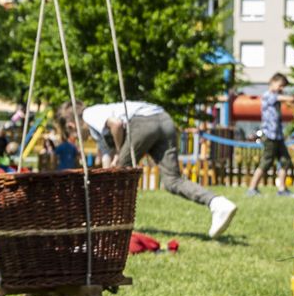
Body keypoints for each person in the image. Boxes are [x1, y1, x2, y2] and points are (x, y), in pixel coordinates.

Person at [81, 99, 237, 237]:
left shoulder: (88, 114)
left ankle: (109, 227)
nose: (78, 137)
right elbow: (107, 156)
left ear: (72, 123)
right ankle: (217, 203)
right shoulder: (97, 129)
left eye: (74, 132)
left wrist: (119, 153)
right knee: (172, 180)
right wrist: (108, 172)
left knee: (119, 176)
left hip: (143, 122)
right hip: (164, 119)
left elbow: (116, 124)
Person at [244, 72, 294, 195]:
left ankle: (282, 189)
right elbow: (284, 98)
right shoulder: (267, 95)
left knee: (285, 161)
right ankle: (252, 188)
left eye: (283, 87)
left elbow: (288, 100)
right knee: (266, 161)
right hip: (269, 135)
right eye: (280, 85)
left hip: (278, 136)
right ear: (272, 82)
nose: (281, 88)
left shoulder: (277, 96)